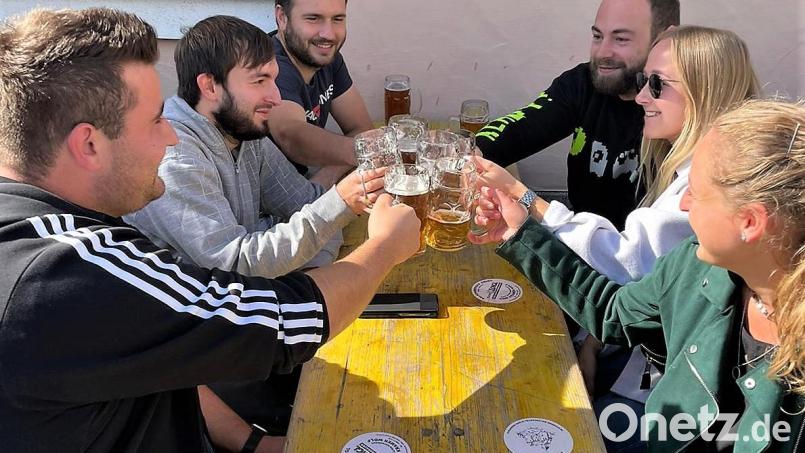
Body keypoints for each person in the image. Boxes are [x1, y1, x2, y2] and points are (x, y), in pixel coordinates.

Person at [0, 8, 420, 453]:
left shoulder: (69, 234)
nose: (171, 138)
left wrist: (251, 445)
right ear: (89, 144)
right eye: (156, 120)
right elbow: (282, 316)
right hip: (248, 365)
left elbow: (168, 349)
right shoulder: (68, 271)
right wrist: (383, 247)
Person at [471, 25, 760, 451]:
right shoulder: (680, 157)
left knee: (523, 416)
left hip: (674, 401)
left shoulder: (714, 190)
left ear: (706, 90)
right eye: (644, 80)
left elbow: (625, 264)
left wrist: (524, 197)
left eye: (656, 84)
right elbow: (636, 299)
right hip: (631, 353)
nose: (641, 96)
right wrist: (590, 343)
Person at [125, 15, 379, 280]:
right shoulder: (174, 157)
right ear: (210, 86)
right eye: (259, 81)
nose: (276, 97)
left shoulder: (244, 133)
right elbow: (235, 263)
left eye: (274, 80)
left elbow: (310, 206)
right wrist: (341, 203)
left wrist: (290, 257)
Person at [476, 0, 680, 230]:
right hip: (576, 240)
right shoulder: (583, 83)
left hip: (646, 259)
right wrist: (472, 153)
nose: (603, 52)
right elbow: (523, 127)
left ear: (665, 38)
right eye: (597, 36)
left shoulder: (683, 108)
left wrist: (523, 197)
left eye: (621, 39)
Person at [267, 0, 373, 186]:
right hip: (264, 208)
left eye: (337, 19)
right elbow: (292, 137)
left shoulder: (327, 58)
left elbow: (362, 128)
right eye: (313, 18)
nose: (328, 34)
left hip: (304, 190)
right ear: (282, 17)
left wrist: (323, 181)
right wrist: (374, 151)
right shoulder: (269, 65)